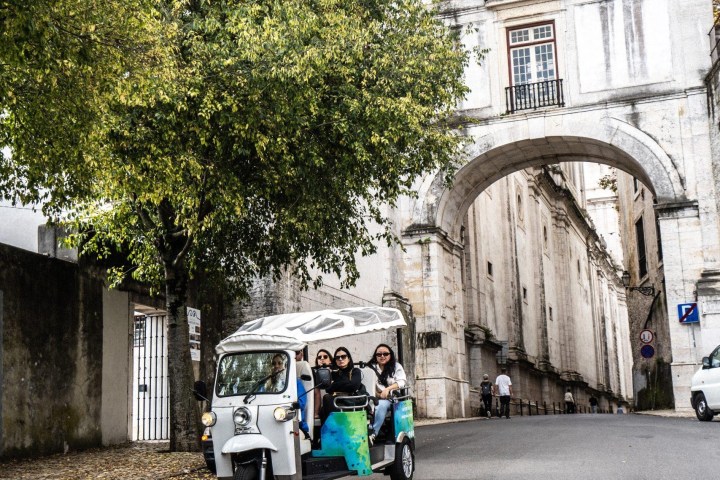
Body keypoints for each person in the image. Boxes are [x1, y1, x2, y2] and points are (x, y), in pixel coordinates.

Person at [367, 344, 407, 445]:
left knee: (380, 405)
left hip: (391, 398)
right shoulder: (370, 368)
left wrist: (388, 389)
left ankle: (372, 433)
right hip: (373, 397)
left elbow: (401, 382)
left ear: (390, 355)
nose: (382, 356)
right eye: (379, 354)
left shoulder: (396, 366)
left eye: (385, 354)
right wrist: (377, 394)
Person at [320, 347, 363, 422]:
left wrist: (335, 384)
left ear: (349, 359)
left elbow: (353, 386)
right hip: (336, 401)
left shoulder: (355, 371)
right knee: (325, 402)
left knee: (328, 400)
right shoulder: (334, 373)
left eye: (343, 357)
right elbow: (328, 389)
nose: (340, 359)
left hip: (350, 401)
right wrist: (345, 383)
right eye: (337, 358)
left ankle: (334, 428)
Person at [314, 349, 333, 418]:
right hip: (321, 409)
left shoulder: (335, 373)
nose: (322, 359)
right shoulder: (314, 374)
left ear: (330, 360)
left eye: (325, 357)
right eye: (319, 357)